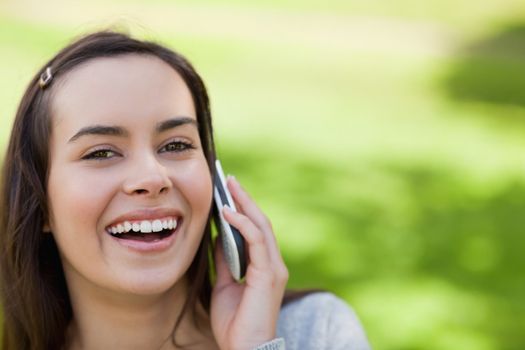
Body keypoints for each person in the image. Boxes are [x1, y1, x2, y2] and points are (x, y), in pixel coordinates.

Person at [0, 31, 370, 350]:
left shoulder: (316, 331)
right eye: (101, 152)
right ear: (40, 202)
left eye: (175, 145)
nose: (152, 176)